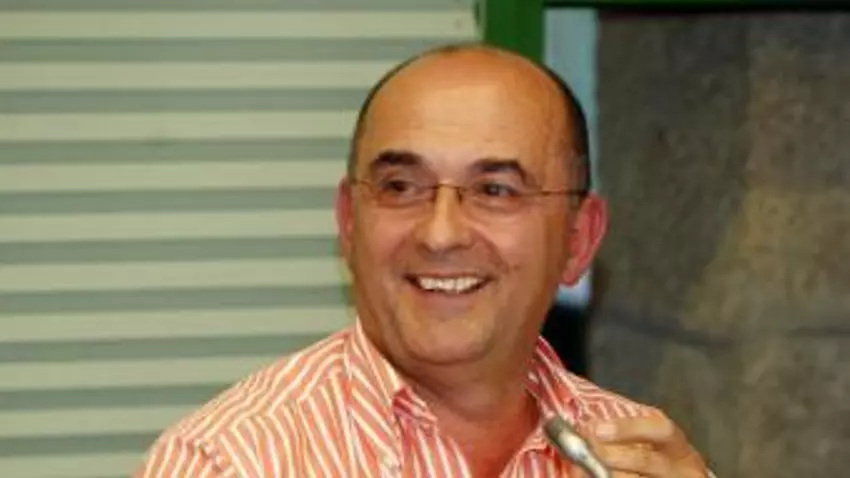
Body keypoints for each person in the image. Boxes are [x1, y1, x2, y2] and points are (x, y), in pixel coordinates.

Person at [135, 43, 712, 477]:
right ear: (349, 221)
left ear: (579, 239)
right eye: (401, 187)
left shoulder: (639, 459)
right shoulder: (230, 461)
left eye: (495, 191)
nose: (440, 234)